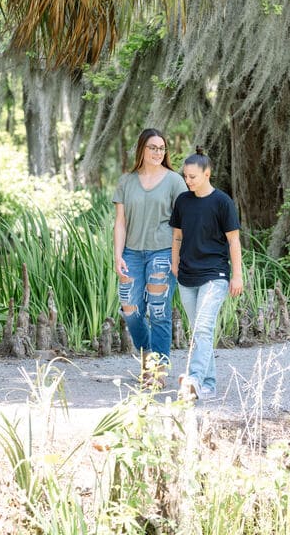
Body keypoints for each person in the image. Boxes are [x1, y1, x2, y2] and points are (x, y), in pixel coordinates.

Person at [112, 128, 187, 386]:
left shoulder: (175, 181)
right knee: (130, 310)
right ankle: (149, 357)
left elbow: (182, 223)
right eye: (153, 147)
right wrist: (117, 255)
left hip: (163, 251)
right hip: (131, 253)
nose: (158, 152)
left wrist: (178, 256)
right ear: (141, 149)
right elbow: (120, 223)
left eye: (162, 148)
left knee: (158, 311)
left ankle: (157, 371)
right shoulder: (126, 181)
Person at [170, 148, 243, 402]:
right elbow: (177, 235)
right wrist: (175, 264)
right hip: (187, 275)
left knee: (202, 327)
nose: (188, 181)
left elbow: (234, 241)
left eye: (192, 176)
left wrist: (237, 275)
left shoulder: (222, 202)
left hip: (215, 274)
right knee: (198, 332)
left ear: (207, 173)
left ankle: (194, 379)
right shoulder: (183, 201)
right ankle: (208, 385)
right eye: (185, 177)